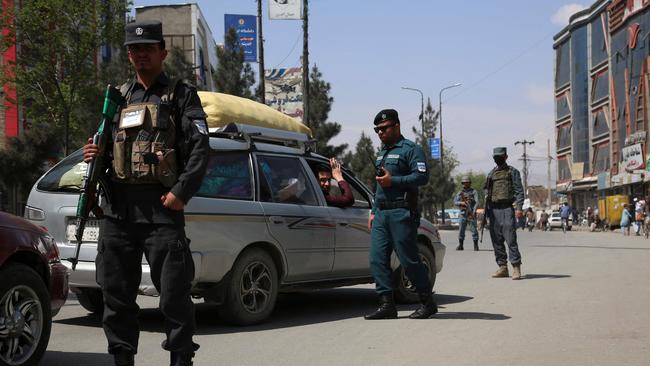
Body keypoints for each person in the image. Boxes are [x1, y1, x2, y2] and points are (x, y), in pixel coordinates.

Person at [83, 20, 209, 366]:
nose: (140, 55)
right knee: (117, 296)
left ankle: (181, 358)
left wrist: (181, 193)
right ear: (128, 55)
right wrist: (95, 154)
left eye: (147, 49)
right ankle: (122, 358)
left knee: (173, 296)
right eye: (134, 49)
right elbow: (106, 146)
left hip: (161, 210)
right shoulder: (118, 97)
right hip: (119, 212)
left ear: (163, 53)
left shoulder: (181, 95)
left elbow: (200, 148)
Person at [364, 109, 437, 320]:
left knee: (409, 261)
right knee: (377, 259)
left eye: (384, 128)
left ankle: (427, 302)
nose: (380, 133)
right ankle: (386, 304)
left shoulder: (411, 150)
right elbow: (379, 187)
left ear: (396, 126)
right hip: (382, 214)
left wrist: (393, 181)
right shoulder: (382, 153)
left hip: (402, 212)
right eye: (377, 130)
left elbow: (421, 177)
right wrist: (373, 211)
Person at [484, 147, 524, 280]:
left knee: (510, 239)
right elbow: (487, 193)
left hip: (507, 208)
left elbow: (519, 191)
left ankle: (516, 268)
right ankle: (502, 267)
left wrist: (519, 208)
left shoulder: (513, 172)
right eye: (495, 157)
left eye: (500, 156)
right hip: (493, 210)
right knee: (497, 240)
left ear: (506, 157)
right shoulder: (491, 174)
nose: (497, 159)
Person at [453, 176, 479, 251]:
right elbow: (455, 202)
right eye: (464, 183)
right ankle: (461, 245)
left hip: (471, 213)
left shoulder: (474, 192)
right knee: (461, 230)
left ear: (469, 183)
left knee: (474, 230)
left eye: (467, 182)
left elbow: (477, 202)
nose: (465, 184)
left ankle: (476, 245)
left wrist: (474, 211)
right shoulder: (460, 193)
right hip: (463, 213)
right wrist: (462, 203)